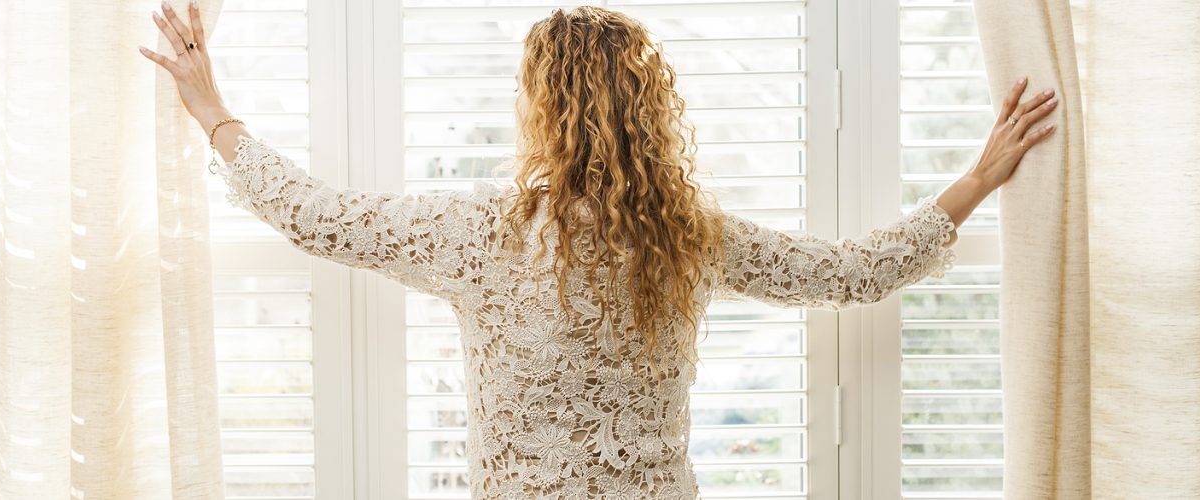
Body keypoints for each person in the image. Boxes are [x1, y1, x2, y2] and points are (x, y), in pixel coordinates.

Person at [140, 2, 1058, 498]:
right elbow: (855, 271)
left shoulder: (483, 234)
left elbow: (317, 216)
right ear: (648, 117)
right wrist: (975, 180)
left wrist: (213, 113)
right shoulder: (690, 239)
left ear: (540, 111)